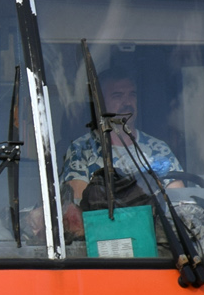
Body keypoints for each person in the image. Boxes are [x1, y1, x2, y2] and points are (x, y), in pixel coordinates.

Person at [60, 66, 182, 236]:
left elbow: (178, 201)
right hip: (105, 238)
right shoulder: (82, 150)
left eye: (132, 94)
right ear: (100, 103)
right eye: (117, 95)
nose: (127, 102)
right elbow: (81, 208)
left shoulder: (158, 149)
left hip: (156, 238)